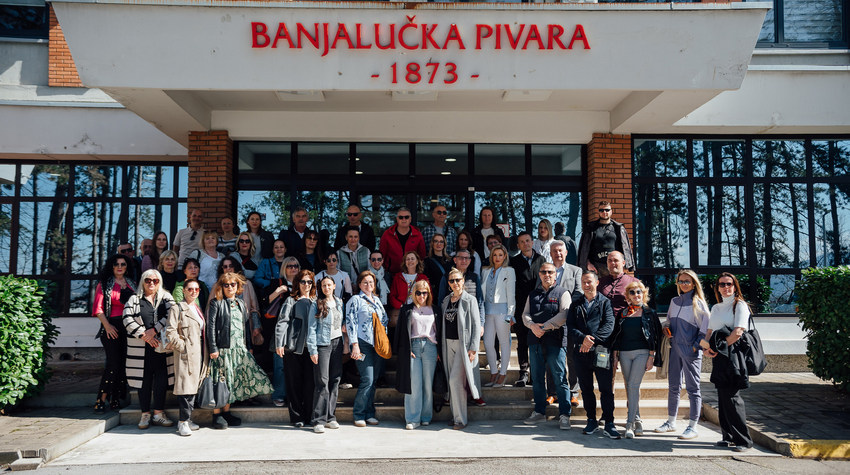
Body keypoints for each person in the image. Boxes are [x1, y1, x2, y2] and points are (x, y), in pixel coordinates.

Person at [206, 272, 273, 429]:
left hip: (239, 348)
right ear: (221, 287)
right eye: (226, 285)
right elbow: (211, 328)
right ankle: (217, 414)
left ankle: (227, 412)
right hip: (223, 350)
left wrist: (249, 345)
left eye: (233, 284)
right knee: (220, 381)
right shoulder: (216, 303)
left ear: (238, 286)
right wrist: (213, 348)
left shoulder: (241, 304)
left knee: (232, 381)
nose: (230, 287)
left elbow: (245, 327)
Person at [699, 273, 753, 452]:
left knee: (733, 397)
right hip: (720, 356)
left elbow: (738, 332)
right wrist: (706, 349)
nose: (725, 287)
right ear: (717, 288)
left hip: (734, 356)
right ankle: (728, 436)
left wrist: (719, 347)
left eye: (729, 284)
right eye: (721, 284)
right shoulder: (716, 307)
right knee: (722, 397)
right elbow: (709, 331)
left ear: (735, 286)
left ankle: (744, 441)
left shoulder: (740, 305)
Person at [655, 270, 710, 439]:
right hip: (674, 350)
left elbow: (705, 332)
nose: (684, 284)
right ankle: (671, 422)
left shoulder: (699, 304)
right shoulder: (674, 301)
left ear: (694, 284)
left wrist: (694, 348)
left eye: (687, 281)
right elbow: (669, 321)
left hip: (690, 352)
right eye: (681, 281)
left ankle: (692, 426)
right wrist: (666, 328)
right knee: (673, 387)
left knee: (693, 389)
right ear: (677, 284)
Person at [566, 270, 619, 439]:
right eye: (584, 282)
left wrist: (592, 340)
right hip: (581, 353)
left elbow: (609, 326)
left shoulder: (605, 303)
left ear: (597, 283)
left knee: (606, 390)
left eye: (589, 282)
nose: (586, 285)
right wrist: (583, 339)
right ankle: (591, 420)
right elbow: (570, 326)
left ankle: (609, 422)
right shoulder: (576, 303)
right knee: (587, 389)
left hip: (601, 352)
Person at [122, 269, 176, 430]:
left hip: (161, 348)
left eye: (155, 280)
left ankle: (159, 414)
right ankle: (145, 414)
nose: (151, 283)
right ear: (143, 282)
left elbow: (172, 314)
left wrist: (155, 330)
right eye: (148, 280)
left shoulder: (166, 297)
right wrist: (144, 335)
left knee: (161, 381)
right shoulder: (134, 299)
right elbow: (127, 318)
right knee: (143, 382)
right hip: (140, 348)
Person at [521, 262, 572, 430]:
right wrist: (532, 326)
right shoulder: (533, 294)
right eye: (544, 272)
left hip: (555, 341)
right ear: (540, 274)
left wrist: (544, 326)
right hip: (535, 341)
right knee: (537, 378)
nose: (547, 274)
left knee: (559, 378)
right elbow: (525, 314)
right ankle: (539, 412)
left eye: (550, 272)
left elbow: (564, 314)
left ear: (556, 274)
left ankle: (564, 414)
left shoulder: (563, 292)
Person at [611, 280, 662, 439]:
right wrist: (615, 355)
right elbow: (617, 335)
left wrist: (651, 356)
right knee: (629, 386)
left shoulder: (650, 313)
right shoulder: (623, 313)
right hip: (625, 353)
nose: (636, 295)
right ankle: (638, 419)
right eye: (632, 292)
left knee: (633, 385)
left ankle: (629, 423)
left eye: (639, 291)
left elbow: (656, 335)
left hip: (642, 353)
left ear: (644, 294)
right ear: (627, 296)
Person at [92, 253, 136, 413]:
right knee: (113, 364)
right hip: (111, 328)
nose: (120, 267)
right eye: (116, 264)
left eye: (123, 264)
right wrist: (108, 326)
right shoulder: (104, 284)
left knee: (123, 365)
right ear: (111, 266)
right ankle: (101, 399)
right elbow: (98, 309)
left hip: (129, 328)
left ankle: (115, 399)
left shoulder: (132, 284)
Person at [165, 278, 208, 436]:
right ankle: (182, 422)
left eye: (196, 289)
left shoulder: (197, 308)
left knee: (193, 388)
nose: (193, 292)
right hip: (186, 354)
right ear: (183, 290)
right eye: (190, 289)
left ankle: (188, 419)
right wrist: (182, 347)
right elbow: (170, 331)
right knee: (185, 389)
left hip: (199, 353)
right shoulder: (178, 308)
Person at [395, 280, 440, 430]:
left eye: (424, 292)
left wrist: (439, 351)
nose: (421, 296)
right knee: (414, 384)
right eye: (418, 293)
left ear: (428, 293)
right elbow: (401, 332)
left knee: (427, 384)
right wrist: (406, 350)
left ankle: (426, 417)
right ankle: (413, 419)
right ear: (414, 294)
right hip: (413, 346)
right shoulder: (407, 309)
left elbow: (438, 331)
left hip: (430, 347)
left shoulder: (435, 309)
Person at [275, 270, 317, 428]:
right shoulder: (291, 300)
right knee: (293, 383)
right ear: (297, 283)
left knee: (310, 384)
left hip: (312, 349)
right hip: (293, 348)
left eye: (309, 282)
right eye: (303, 282)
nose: (306, 285)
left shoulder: (316, 300)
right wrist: (279, 343)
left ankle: (309, 415)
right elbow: (282, 321)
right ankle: (297, 417)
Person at [346, 271, 389, 427]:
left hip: (377, 345)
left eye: (371, 282)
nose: (368, 285)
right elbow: (351, 323)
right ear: (359, 284)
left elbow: (384, 321)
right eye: (365, 282)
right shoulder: (355, 300)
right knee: (367, 379)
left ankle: (370, 413)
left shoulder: (377, 300)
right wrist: (354, 345)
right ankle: (359, 413)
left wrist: (384, 341)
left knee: (374, 380)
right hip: (362, 344)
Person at [441, 268, 482, 430]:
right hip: (447, 343)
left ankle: (460, 420)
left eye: (458, 280)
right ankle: (455, 415)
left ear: (463, 281)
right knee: (452, 382)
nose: (455, 283)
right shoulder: (446, 300)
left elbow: (477, 324)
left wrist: (473, 347)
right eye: (452, 281)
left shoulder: (470, 300)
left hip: (463, 345)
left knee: (455, 381)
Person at [306, 276, 345, 433]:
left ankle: (330, 416)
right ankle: (318, 419)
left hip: (337, 343)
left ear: (334, 285)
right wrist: (313, 349)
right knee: (322, 381)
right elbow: (311, 327)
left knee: (335, 380)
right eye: (324, 285)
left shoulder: (340, 302)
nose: (326, 288)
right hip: (323, 345)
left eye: (329, 285)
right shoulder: (316, 303)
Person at [263, 256, 301, 407]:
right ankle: (279, 394)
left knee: (297, 365)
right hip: (281, 329)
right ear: (284, 268)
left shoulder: (304, 283)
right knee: (280, 364)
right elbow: (264, 302)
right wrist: (278, 291)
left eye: (296, 266)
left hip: (299, 329)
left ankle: (295, 395)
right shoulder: (276, 283)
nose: (293, 268)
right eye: (289, 266)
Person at [509, 231, 544, 388]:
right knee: (522, 341)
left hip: (538, 308)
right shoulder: (513, 262)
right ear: (518, 245)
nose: (525, 244)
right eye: (522, 242)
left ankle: (536, 374)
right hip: (521, 307)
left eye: (528, 241)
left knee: (537, 342)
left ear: (532, 242)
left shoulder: (541, 260)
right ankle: (523, 373)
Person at [551, 239, 583, 406]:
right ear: (550, 253)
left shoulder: (576, 270)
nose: (558, 253)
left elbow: (578, 292)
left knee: (572, 357)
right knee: (553, 358)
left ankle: (573, 392)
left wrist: (564, 306)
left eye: (560, 250)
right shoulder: (547, 270)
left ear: (566, 252)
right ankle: (553, 392)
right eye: (555, 250)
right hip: (551, 321)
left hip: (571, 320)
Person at [481, 244, 515, 388]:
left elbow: (511, 294)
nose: (497, 258)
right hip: (488, 311)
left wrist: (510, 314)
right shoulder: (485, 271)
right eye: (495, 255)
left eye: (500, 255)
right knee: (488, 343)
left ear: (505, 256)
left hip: (502, 311)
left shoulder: (509, 271)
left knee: (504, 343)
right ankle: (493, 372)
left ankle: (502, 374)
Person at [577, 201, 635, 278]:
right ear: (599, 212)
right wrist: (588, 263)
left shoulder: (618, 228)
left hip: (614, 266)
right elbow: (584, 248)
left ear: (611, 211)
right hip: (597, 268)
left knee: (616, 289)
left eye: (607, 210)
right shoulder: (591, 228)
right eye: (601, 210)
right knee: (597, 290)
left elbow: (626, 247)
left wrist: (626, 265)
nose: (604, 212)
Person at [379, 207, 427, 276]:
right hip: (392, 274)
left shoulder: (417, 235)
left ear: (410, 219)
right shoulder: (387, 234)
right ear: (397, 219)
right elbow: (382, 255)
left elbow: (421, 256)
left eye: (406, 217)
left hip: (412, 274)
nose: (404, 219)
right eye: (401, 217)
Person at [389, 251, 430, 328]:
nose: (410, 261)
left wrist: (421, 307)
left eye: (412, 259)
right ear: (404, 262)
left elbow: (429, 296)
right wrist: (401, 306)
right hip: (403, 312)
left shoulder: (423, 278)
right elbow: (392, 296)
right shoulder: (398, 277)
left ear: (417, 261)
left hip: (419, 312)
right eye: (407, 259)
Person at [598, 251, 638, 318]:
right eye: (609, 261)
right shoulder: (599, 282)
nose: (612, 263)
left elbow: (639, 306)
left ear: (623, 263)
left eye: (616, 260)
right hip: (604, 323)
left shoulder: (634, 282)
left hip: (625, 322)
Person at [423, 234, 452, 298]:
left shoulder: (450, 261)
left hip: (448, 294)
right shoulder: (426, 261)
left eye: (441, 241)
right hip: (434, 295)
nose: (438, 244)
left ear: (444, 244)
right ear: (432, 244)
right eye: (436, 241)